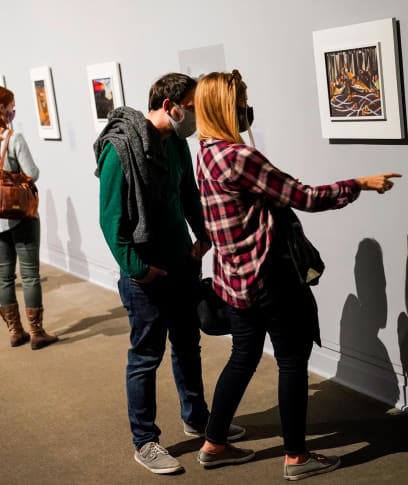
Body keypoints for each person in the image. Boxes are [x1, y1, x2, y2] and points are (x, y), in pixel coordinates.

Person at [193, 70, 401, 480]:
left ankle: (214, 443)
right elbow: (303, 197)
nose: (247, 110)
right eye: (241, 102)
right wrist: (358, 183)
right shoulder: (240, 157)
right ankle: (296, 458)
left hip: (233, 280)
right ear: (225, 106)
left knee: (242, 356)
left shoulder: (205, 153)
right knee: (291, 363)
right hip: (270, 278)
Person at [93, 72, 245, 475]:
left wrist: (203, 234)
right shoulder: (119, 148)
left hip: (181, 262)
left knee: (187, 344)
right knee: (145, 356)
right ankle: (144, 442)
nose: (196, 117)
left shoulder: (176, 145)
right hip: (145, 274)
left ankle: (196, 417)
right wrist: (137, 269)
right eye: (192, 108)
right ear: (170, 106)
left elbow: (187, 193)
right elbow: (110, 219)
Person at [0, 86, 57, 350]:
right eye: (13, 108)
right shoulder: (14, 138)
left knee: (4, 275)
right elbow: (32, 173)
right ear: (5, 110)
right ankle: (37, 332)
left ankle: (15, 331)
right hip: (22, 216)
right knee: (29, 275)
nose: (14, 112)